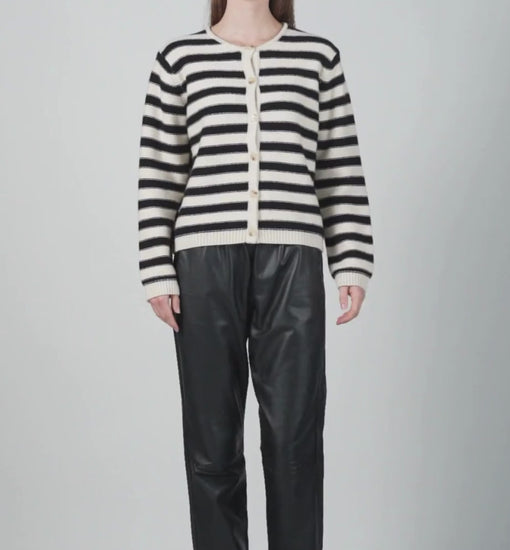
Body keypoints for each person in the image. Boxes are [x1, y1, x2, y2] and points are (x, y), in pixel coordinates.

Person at [137, 1, 374, 549]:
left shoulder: (318, 57)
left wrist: (351, 259)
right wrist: (157, 269)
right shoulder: (179, 59)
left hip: (292, 262)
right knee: (212, 444)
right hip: (202, 266)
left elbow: (338, 164)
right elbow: (160, 169)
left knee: (295, 442)